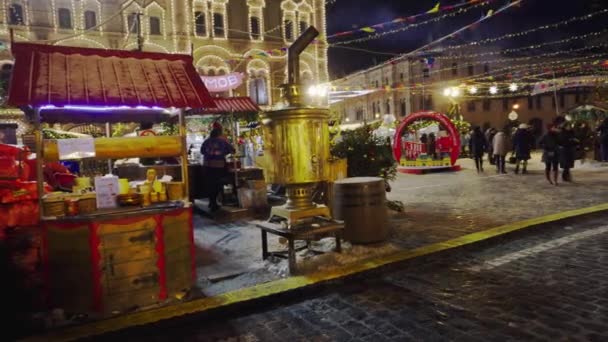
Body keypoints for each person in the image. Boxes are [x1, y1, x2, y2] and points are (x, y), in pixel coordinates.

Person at [201, 127, 235, 211]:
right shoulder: (222, 141)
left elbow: (202, 151)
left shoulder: (206, 141)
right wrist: (223, 153)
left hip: (207, 166)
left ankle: (211, 202)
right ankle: (215, 203)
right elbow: (232, 150)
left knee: (209, 185)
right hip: (218, 167)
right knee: (218, 184)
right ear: (219, 134)